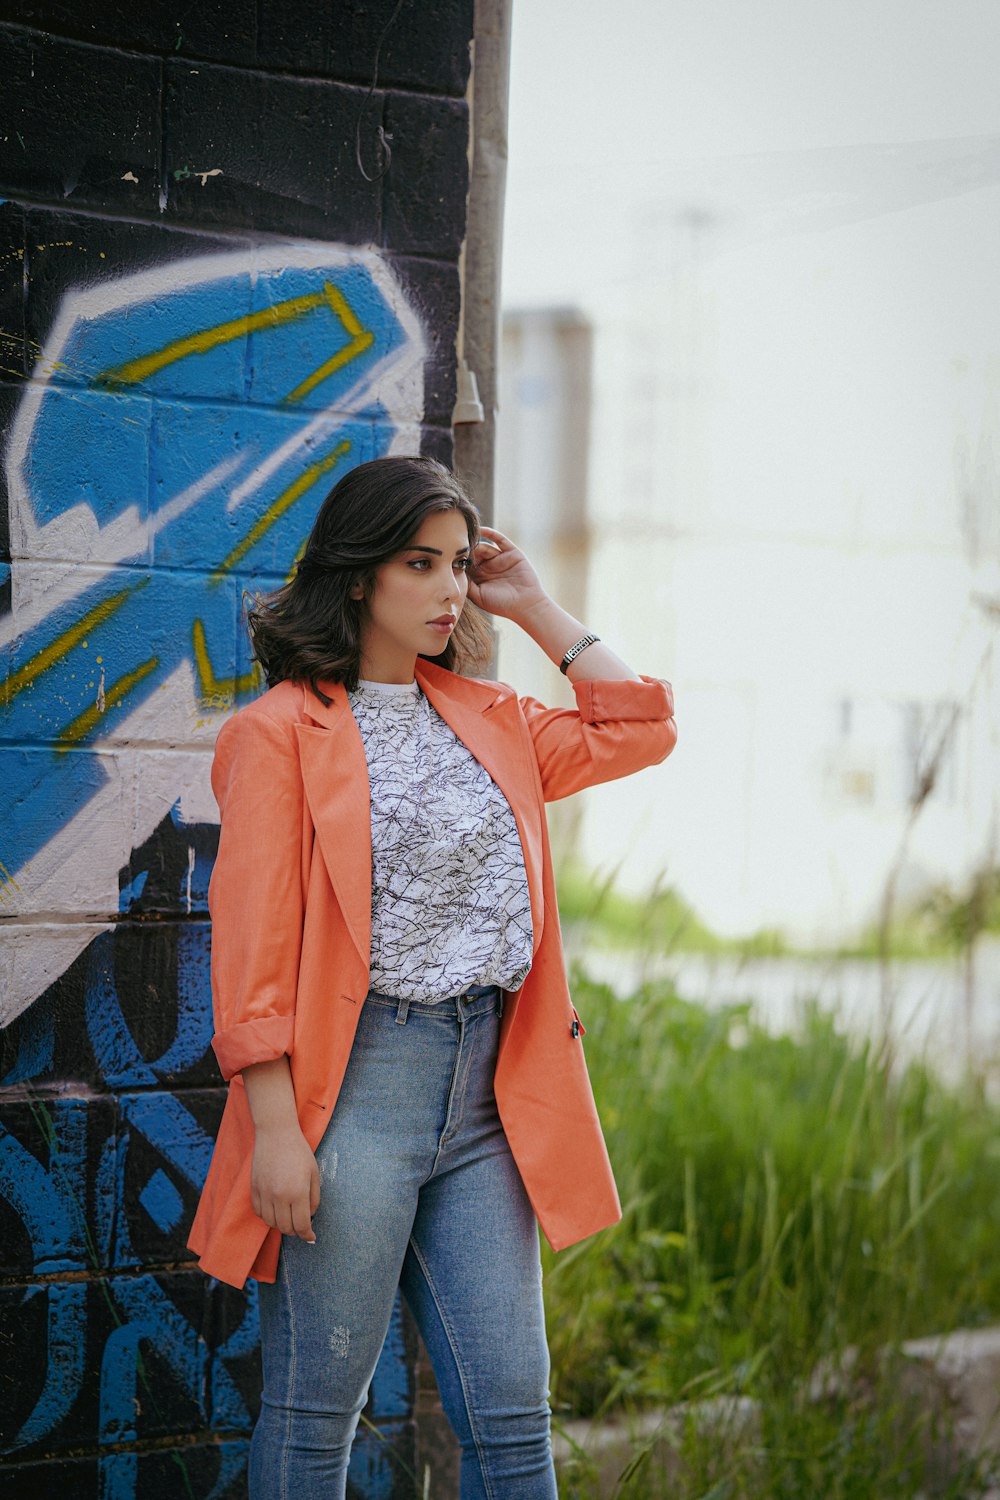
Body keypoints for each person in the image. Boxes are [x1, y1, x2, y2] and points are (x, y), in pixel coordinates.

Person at [187, 455, 677, 1498]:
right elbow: (253, 950)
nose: (450, 589)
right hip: (354, 1095)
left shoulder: (492, 716)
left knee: (511, 1415)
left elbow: (638, 726)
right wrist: (275, 1130)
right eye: (422, 563)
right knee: (318, 1417)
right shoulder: (275, 734)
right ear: (360, 574)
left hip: (492, 1093)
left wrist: (537, 606)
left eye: (459, 565)